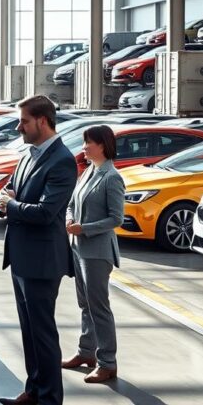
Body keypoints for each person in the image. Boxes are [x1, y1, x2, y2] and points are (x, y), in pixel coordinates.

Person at [0, 95, 78, 405]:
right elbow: (6, 193)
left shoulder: (62, 160)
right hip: (21, 258)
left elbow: (45, 213)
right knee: (29, 332)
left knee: (42, 333)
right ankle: (33, 391)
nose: (19, 127)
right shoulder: (28, 154)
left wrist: (9, 205)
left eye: (24, 121)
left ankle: (50, 398)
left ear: (42, 121)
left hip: (43, 261)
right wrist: (4, 203)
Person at [62, 125, 124, 384]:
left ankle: (107, 363)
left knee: (99, 308)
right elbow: (71, 203)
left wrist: (83, 229)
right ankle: (86, 352)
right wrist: (69, 219)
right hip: (78, 247)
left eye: (89, 143)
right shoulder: (89, 171)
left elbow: (116, 218)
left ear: (103, 145)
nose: (84, 147)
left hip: (97, 252)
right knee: (85, 304)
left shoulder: (111, 177)